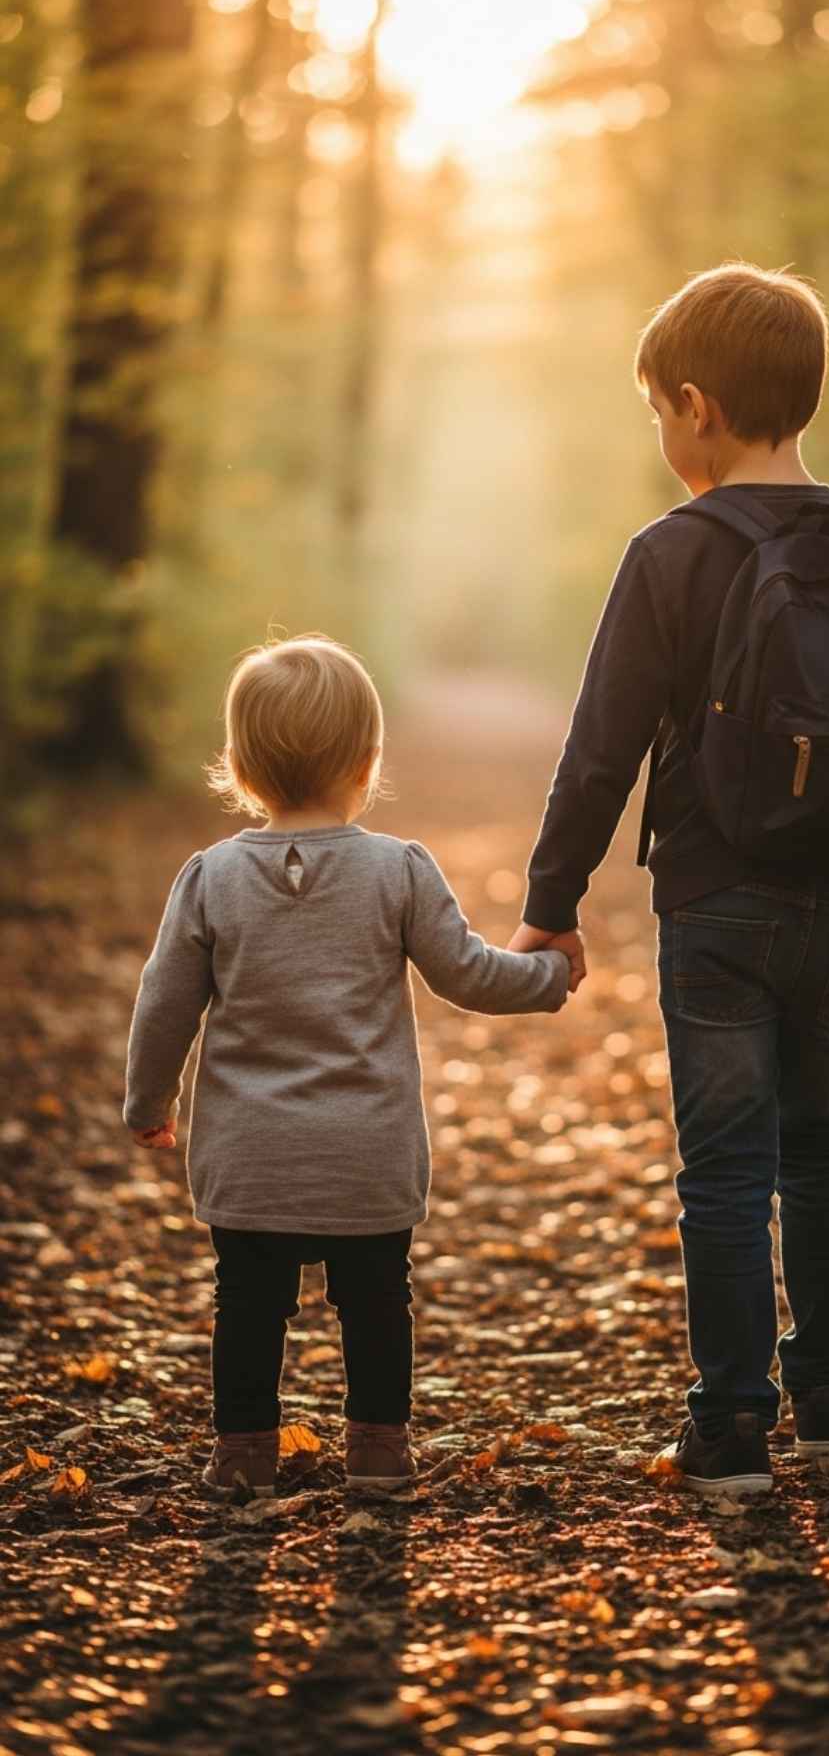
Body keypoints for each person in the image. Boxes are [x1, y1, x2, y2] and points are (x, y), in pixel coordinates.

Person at [510, 263, 829, 1498]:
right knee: (825, 1145)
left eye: (659, 412)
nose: (663, 435)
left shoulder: (672, 553)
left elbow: (600, 747)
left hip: (716, 899)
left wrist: (553, 905)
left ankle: (730, 1427)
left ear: (697, 407)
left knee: (723, 1166)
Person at [123, 635, 578, 1499]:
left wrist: (148, 1100)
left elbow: (164, 1005)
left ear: (243, 765)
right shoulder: (396, 870)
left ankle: (243, 1454)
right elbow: (470, 974)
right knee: (375, 1303)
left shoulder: (212, 879)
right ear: (368, 761)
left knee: (248, 1307)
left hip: (251, 1158)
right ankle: (378, 1451)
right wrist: (550, 977)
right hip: (365, 1154)